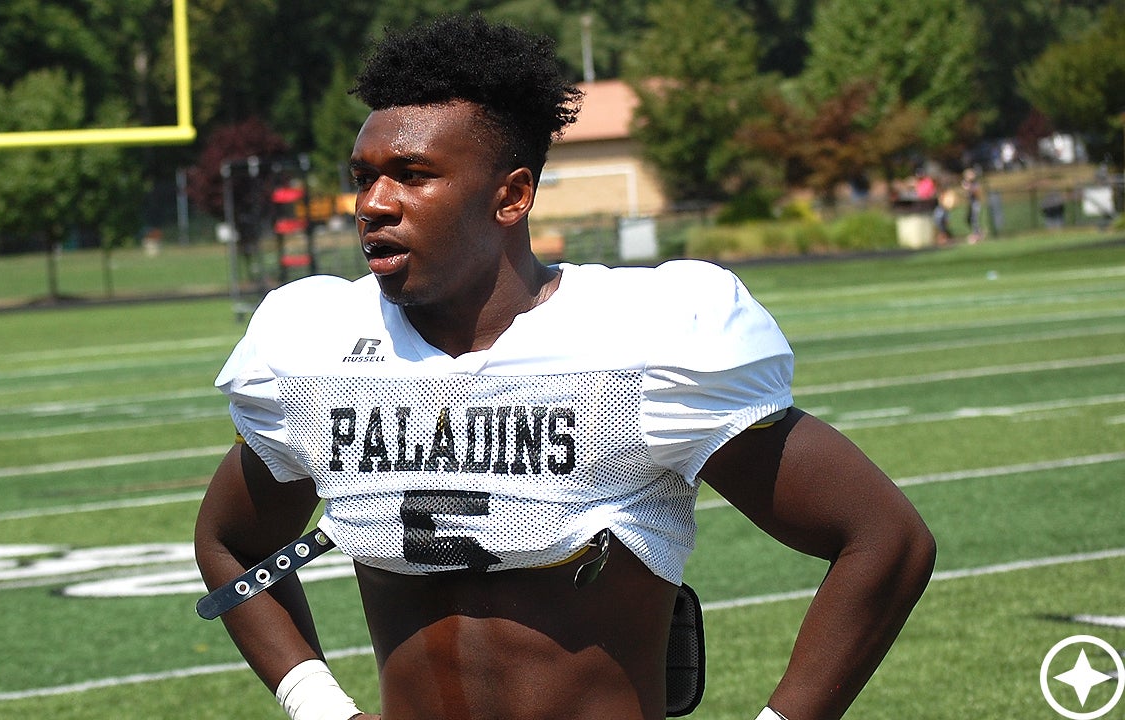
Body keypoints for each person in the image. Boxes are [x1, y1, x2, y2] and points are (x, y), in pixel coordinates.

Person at [193, 13, 935, 720]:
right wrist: (318, 705)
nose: (374, 204)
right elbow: (232, 543)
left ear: (511, 195)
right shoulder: (316, 345)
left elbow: (883, 539)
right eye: (364, 176)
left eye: (412, 174)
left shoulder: (640, 339)